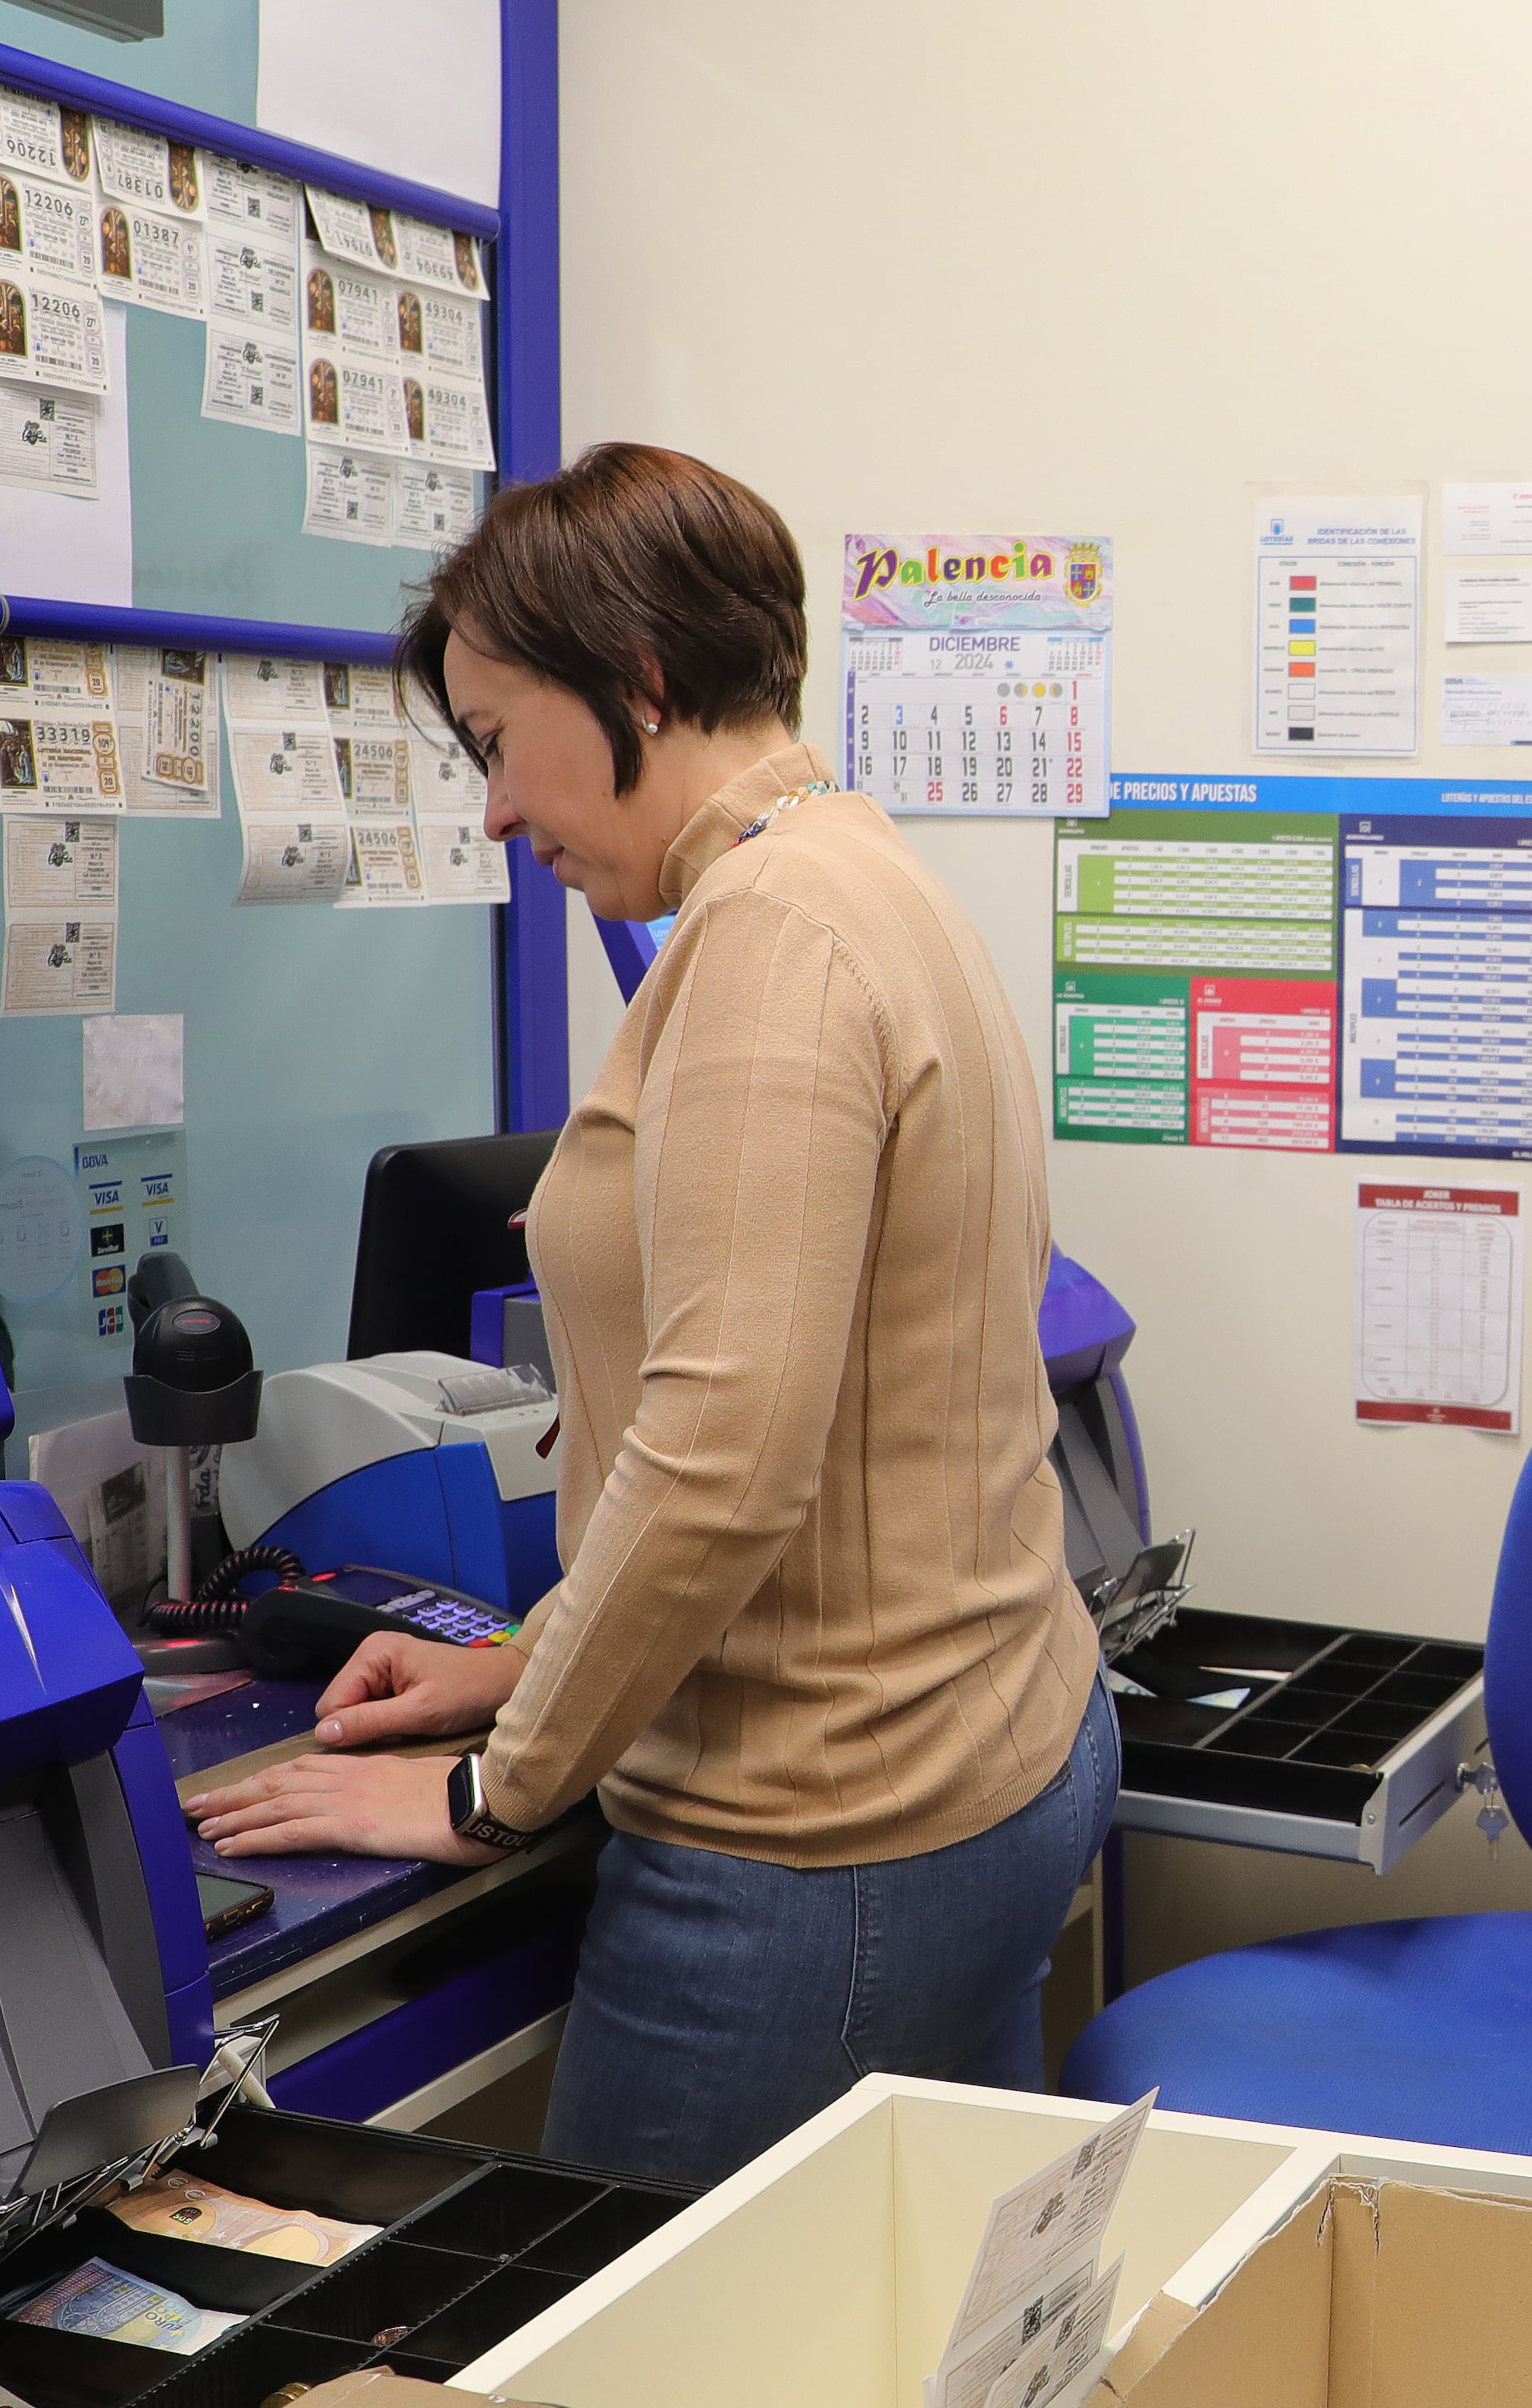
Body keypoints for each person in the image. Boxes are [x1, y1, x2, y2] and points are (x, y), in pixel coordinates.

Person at [185, 443, 1116, 2189]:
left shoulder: (775, 937)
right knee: (900, 2382)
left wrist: (490, 1784)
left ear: (641, 681)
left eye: (493, 741)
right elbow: (817, 1441)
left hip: (823, 1833)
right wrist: (521, 1659)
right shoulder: (860, 877)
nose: (491, 811)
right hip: (978, 1749)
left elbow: (721, 1459)